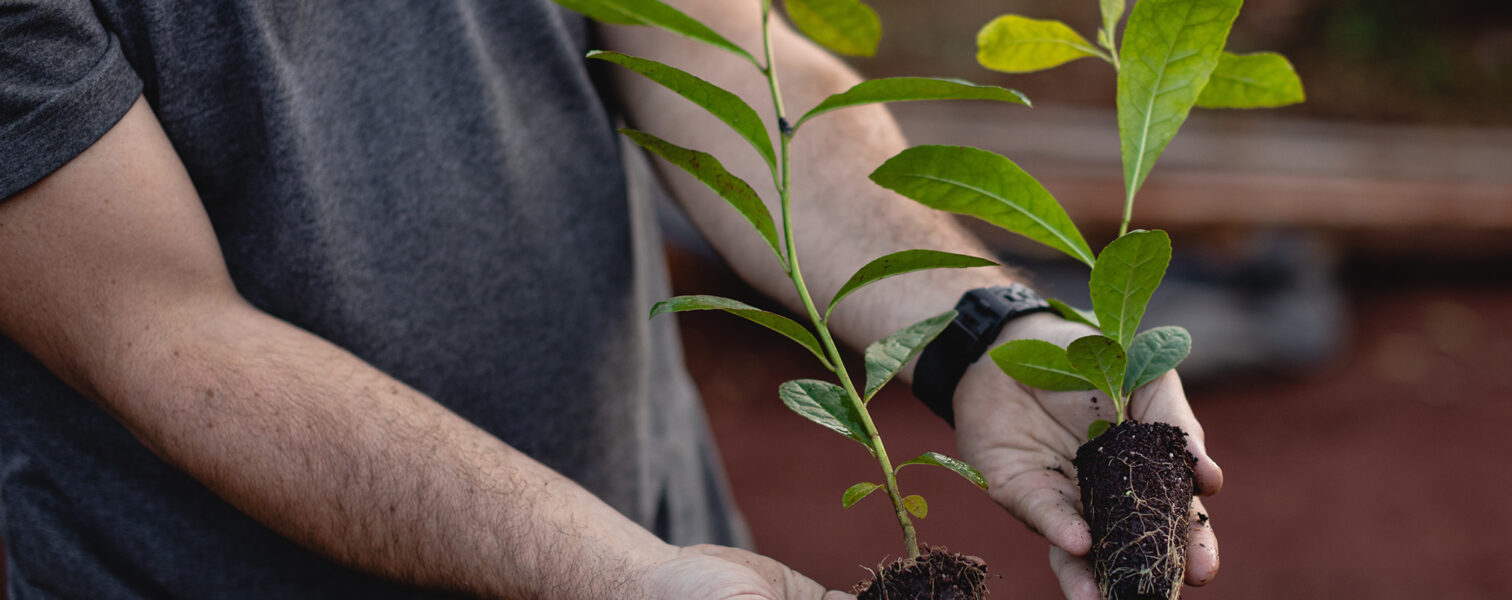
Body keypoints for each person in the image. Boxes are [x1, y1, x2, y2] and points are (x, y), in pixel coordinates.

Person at [0, 0, 1222, 597]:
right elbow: (164, 334)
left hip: (643, 531)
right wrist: (623, 580)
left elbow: (724, 66)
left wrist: (982, 329)